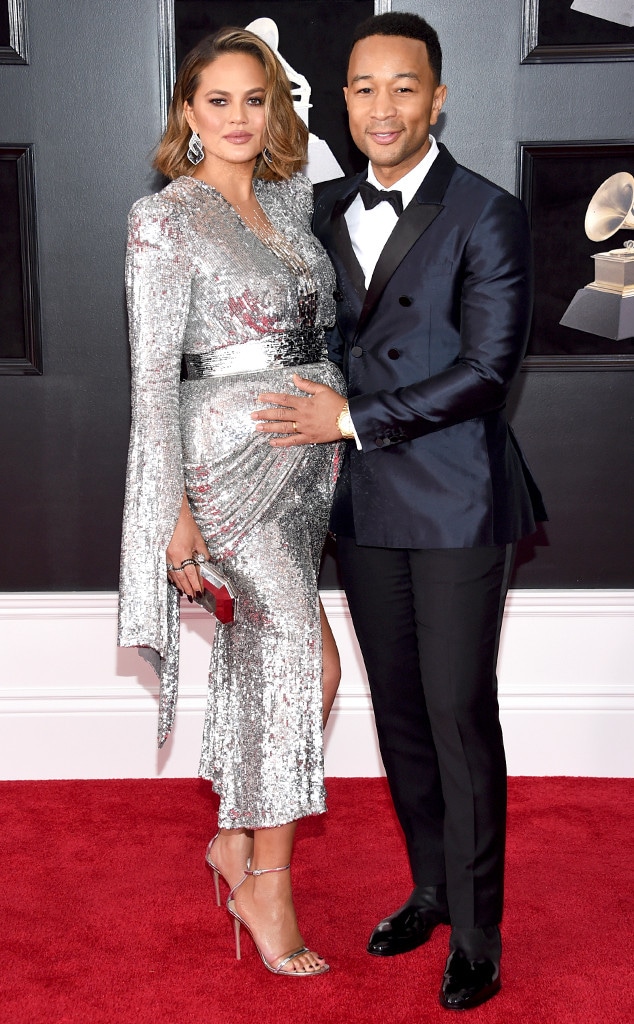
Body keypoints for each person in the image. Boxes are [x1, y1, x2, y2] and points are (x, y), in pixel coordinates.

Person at [251, 11, 546, 1009]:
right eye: (365, 88)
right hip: (364, 500)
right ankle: (428, 885)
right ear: (343, 102)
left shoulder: (487, 211)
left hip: (458, 496)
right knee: (403, 711)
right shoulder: (319, 208)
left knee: (460, 713)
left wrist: (352, 416)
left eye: (404, 87)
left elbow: (486, 370)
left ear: (439, 96)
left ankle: (478, 930)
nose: (383, 107)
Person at [117, 26, 346, 977]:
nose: (241, 117)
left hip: (308, 467)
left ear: (276, 106)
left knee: (282, 666)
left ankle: (235, 844)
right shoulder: (162, 219)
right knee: (305, 664)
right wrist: (172, 512)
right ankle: (267, 882)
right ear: (188, 113)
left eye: (257, 99)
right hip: (225, 471)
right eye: (220, 101)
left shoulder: (291, 206)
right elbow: (151, 379)